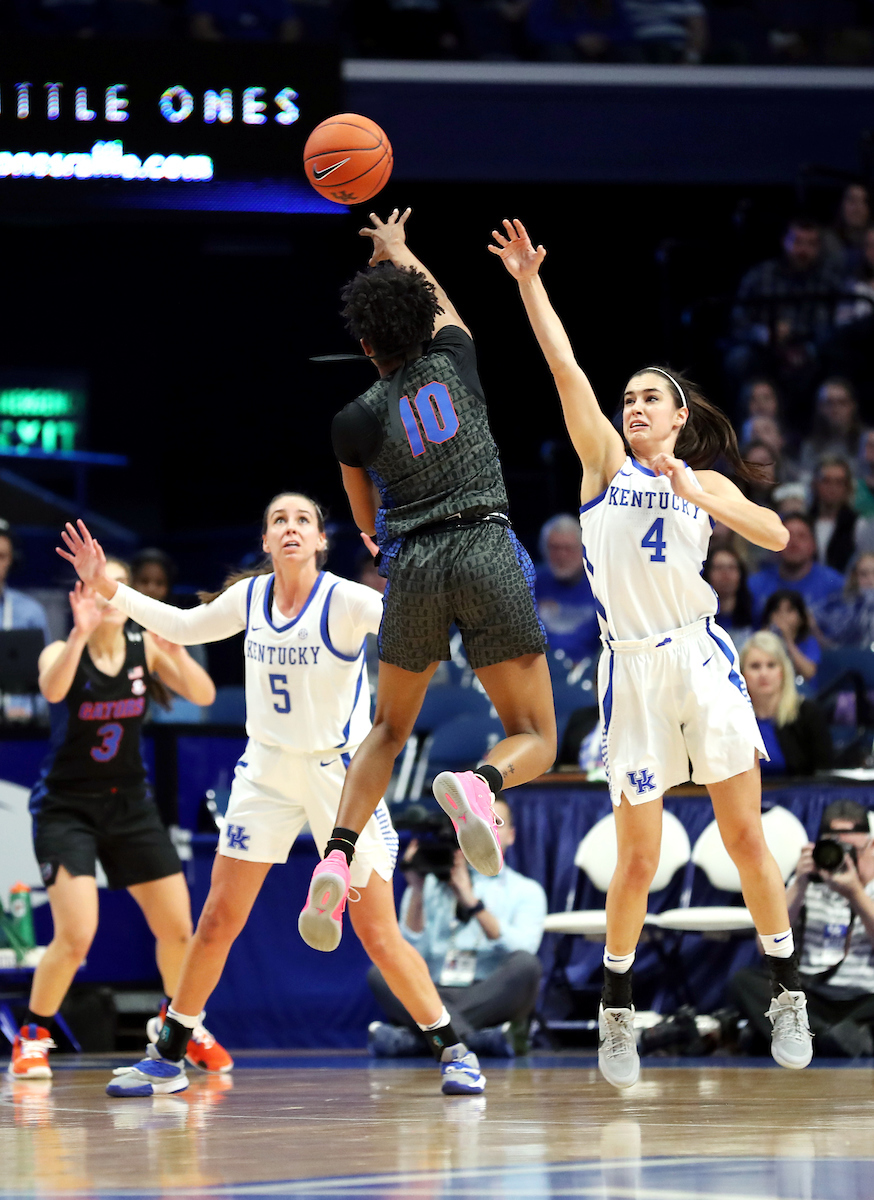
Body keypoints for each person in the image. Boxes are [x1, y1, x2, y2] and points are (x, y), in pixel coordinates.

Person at [491, 216, 813, 1089]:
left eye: (648, 399)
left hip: (702, 659)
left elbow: (779, 534)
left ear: (679, 417)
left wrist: (692, 486)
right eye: (627, 397)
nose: (633, 407)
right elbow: (564, 367)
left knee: (746, 836)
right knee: (637, 857)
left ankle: (786, 986)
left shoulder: (699, 480)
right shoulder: (601, 463)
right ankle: (617, 1009)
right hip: (629, 668)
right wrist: (529, 283)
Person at [58, 498, 488, 1097]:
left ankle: (453, 1048)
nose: (290, 528)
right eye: (279, 521)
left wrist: (408, 576)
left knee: (378, 934)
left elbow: (421, 631)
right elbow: (181, 627)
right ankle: (170, 1055)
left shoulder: (346, 600)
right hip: (264, 774)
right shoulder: (251, 598)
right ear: (265, 540)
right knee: (215, 921)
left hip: (340, 777)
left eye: (302, 521)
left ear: (319, 542)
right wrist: (105, 585)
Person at [299, 208, 556, 963]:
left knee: (385, 731)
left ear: (366, 342)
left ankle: (337, 858)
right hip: (484, 544)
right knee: (534, 735)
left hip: (412, 563)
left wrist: (385, 537)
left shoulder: (353, 418)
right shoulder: (456, 359)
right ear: (424, 322)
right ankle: (479, 785)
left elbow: (364, 519)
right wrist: (404, 250)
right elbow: (442, 305)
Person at [7, 557, 227, 1081]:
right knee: (77, 934)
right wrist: (80, 637)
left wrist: (175, 650)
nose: (107, 596)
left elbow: (204, 695)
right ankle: (33, 1035)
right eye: (98, 587)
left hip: (131, 804)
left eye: (118, 589)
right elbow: (53, 691)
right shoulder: (61, 651)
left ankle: (179, 1027)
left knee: (179, 930)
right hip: (67, 807)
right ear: (80, 595)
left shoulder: (144, 648)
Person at [368, 799, 546, 1058]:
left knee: (527, 966)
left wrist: (472, 903)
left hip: (488, 991)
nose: (486, 829)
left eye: (496, 823)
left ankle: (423, 1040)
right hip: (434, 988)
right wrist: (417, 890)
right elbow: (405, 950)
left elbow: (524, 947)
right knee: (380, 972)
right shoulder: (427, 884)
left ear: (512, 835)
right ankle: (477, 1040)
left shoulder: (526, 890)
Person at [730, 799, 874, 1058]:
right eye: (835, 849)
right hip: (810, 997)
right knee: (744, 981)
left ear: (871, 847)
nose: (843, 858)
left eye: (852, 850)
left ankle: (822, 1039)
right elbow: (765, 948)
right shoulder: (805, 884)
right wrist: (799, 885)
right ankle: (830, 1038)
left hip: (864, 998)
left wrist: (856, 894)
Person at [727, 218, 845, 399]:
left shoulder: (828, 280)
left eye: (811, 244)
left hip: (811, 349)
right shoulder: (761, 275)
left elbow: (834, 326)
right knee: (738, 358)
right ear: (784, 241)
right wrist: (764, 333)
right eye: (797, 242)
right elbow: (738, 320)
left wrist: (806, 346)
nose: (803, 250)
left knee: (837, 357)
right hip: (764, 348)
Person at [739, 631, 831, 776]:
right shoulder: (731, 720)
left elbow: (825, 775)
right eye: (755, 666)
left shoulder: (808, 714)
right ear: (742, 674)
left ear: (782, 671)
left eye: (771, 665)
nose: (763, 673)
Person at [0, 518, 52, 721]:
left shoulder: (31, 612)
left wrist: (30, 711)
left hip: (21, 723)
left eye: (1, 556)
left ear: (12, 560)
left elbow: (48, 676)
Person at [748, 514, 844, 622]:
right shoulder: (754, 585)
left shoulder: (835, 585)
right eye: (787, 536)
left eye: (802, 536)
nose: (794, 542)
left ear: (813, 544)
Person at [535, 514, 600, 665]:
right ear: (543, 549)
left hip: (587, 675)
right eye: (555, 548)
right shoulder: (528, 583)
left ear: (583, 549)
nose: (561, 555)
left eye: (568, 548)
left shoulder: (600, 586)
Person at [807, 456, 866, 574]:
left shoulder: (859, 524)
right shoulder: (804, 522)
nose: (832, 488)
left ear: (848, 488)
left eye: (839, 482)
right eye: (826, 481)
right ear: (815, 484)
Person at [799, 379, 866, 478]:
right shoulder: (810, 447)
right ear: (819, 408)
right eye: (829, 403)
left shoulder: (868, 442)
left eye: (842, 402)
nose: (835, 409)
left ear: (852, 406)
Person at [815, 552, 874, 650]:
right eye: (864, 574)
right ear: (854, 577)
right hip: (849, 660)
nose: (871, 580)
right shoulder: (840, 604)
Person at [760, 588, 820, 684]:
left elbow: (809, 672)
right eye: (777, 610)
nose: (783, 616)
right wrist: (763, 638)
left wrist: (788, 641)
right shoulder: (761, 641)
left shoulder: (809, 642)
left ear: (801, 618)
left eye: (789, 610)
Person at [701, 546, 754, 647]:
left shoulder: (754, 613)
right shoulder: (696, 617)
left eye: (731, 567)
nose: (725, 574)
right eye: (719, 568)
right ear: (708, 573)